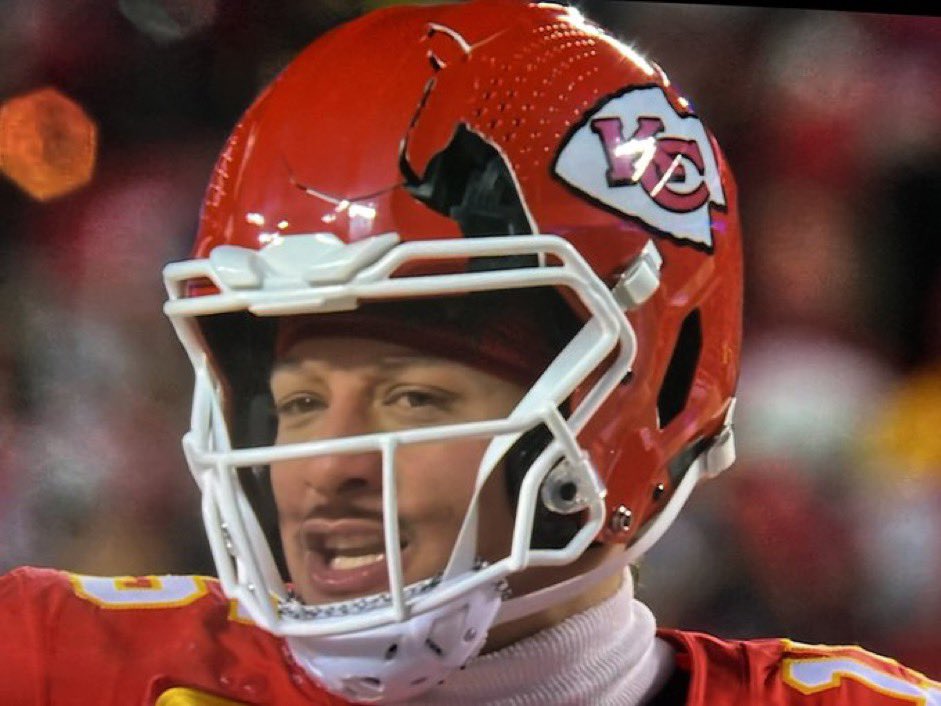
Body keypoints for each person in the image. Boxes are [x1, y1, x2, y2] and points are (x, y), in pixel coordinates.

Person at [1, 1, 938, 704]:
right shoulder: (63, 664)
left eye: (411, 397)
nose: (323, 467)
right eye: (292, 403)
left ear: (634, 402)